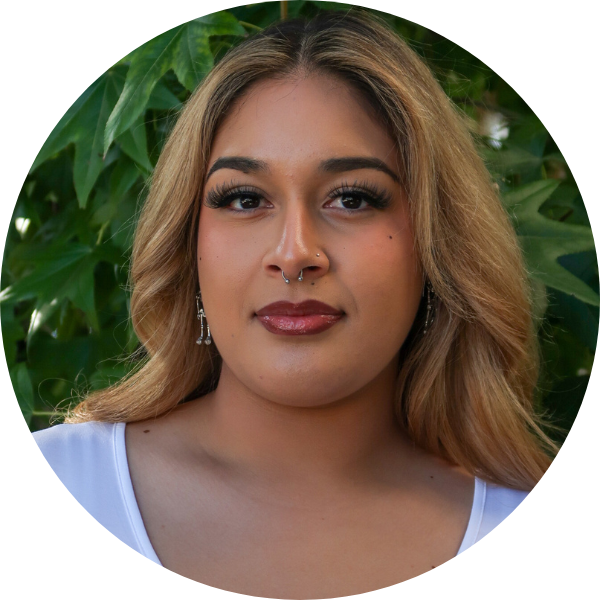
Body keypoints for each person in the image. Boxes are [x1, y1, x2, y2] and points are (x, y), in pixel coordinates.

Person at [32, 9, 559, 595]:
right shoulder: (68, 479)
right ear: (189, 245)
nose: (295, 253)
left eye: (353, 198)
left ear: (436, 242)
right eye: (244, 198)